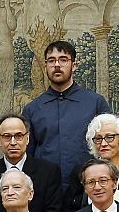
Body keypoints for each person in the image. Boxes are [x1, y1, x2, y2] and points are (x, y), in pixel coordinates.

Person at [24, 39, 110, 183]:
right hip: (45, 186)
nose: (56, 65)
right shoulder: (32, 109)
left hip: (88, 186)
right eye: (51, 61)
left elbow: (109, 146)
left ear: (74, 65)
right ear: (45, 66)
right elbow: (27, 153)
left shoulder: (95, 103)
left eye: (63, 60)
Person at [0, 112, 64, 212]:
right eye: (7, 137)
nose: (13, 142)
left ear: (28, 138)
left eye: (19, 136)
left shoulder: (48, 172)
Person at [65, 114, 119, 212]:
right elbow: (69, 211)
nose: (103, 144)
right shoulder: (81, 172)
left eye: (109, 137)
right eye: (98, 138)